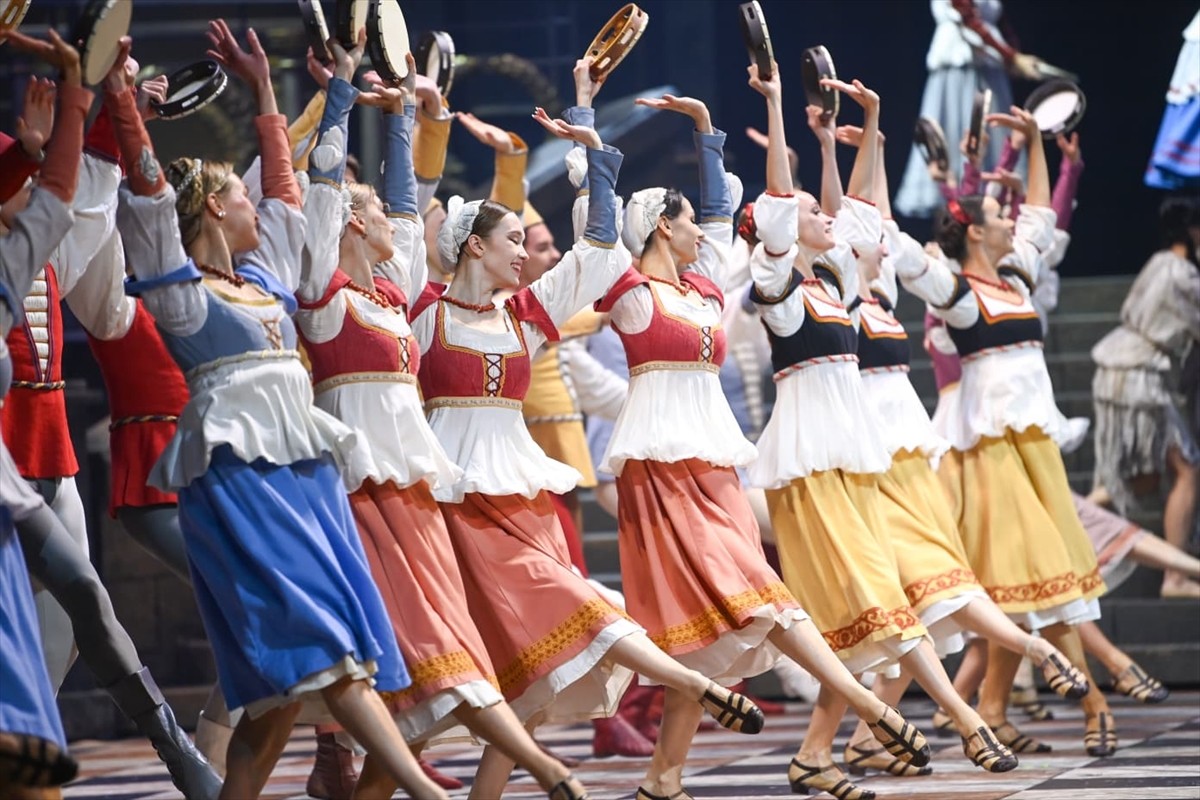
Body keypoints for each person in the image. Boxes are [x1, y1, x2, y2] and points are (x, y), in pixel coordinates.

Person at [105, 23, 450, 799]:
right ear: (214, 213)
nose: (257, 203)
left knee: (275, 712)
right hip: (242, 486)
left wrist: (289, 93)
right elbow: (151, 195)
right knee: (328, 651)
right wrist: (123, 106)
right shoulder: (185, 299)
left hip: (307, 481)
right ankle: (424, 794)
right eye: (240, 197)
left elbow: (305, 186)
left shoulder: (266, 283)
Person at [409, 69, 767, 797]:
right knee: (535, 636)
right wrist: (405, 117)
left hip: (523, 491)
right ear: (473, 248)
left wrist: (593, 142)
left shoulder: (522, 319)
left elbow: (596, 252)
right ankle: (687, 684)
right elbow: (400, 214)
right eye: (514, 237)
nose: (526, 251)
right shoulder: (425, 314)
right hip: (451, 498)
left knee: (530, 668)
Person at [591, 81, 936, 799]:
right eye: (686, 224)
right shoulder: (631, 296)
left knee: (716, 626)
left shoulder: (707, 289)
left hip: (717, 466)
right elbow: (598, 235)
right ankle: (871, 708)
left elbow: (723, 213)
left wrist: (709, 129)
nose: (701, 231)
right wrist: (593, 139)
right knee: (754, 604)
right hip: (659, 469)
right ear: (662, 230)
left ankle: (664, 778)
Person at [295, 43, 592, 800]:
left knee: (437, 648)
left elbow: (408, 196)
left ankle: (387, 762)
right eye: (376, 217)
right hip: (357, 474)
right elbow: (336, 193)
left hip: (419, 476)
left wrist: (400, 116)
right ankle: (523, 770)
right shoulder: (328, 291)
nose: (408, 222)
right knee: (372, 645)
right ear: (351, 227)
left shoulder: (395, 295)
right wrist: (330, 95)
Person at [746, 62, 1015, 800]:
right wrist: (774, 106)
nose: (824, 216)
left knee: (875, 614)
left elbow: (865, 212)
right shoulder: (779, 292)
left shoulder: (833, 290)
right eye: (807, 213)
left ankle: (816, 755)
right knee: (873, 608)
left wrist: (860, 130)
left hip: (851, 465)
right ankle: (963, 719)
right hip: (806, 469)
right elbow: (780, 203)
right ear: (778, 230)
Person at [832, 120, 1087, 778]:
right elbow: (862, 218)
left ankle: (859, 740)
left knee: (921, 602)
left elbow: (881, 218)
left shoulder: (880, 294)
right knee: (903, 604)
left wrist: (876, 140)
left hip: (909, 464)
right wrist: (839, 143)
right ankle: (1005, 682)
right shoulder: (822, 299)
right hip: (865, 471)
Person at [888, 101, 1116, 759]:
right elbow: (906, 255)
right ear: (975, 235)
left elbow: (1041, 215)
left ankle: (992, 709)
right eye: (997, 216)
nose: (1010, 217)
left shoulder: (1016, 275)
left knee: (1031, 584)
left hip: (1032, 449)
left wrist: (1033, 142)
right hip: (989, 457)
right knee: (1044, 576)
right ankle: (1094, 701)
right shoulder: (957, 296)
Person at [0, 35, 90, 800]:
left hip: (47, 450)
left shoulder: (35, 256)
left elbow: (72, 201)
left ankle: (31, 732)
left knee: (78, 604)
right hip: (8, 448)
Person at [1090, 198, 1199, 599]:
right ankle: (1176, 576)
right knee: (1186, 467)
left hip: (1120, 364)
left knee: (1135, 477)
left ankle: (1068, 533)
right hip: (1140, 372)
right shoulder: (1183, 274)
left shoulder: (1157, 263)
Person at [894, 0, 1047, 217]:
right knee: (960, 135)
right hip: (961, 61)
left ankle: (995, 211)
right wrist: (1010, 56)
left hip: (988, 65)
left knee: (993, 142)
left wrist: (1013, 57)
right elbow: (967, 17)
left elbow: (997, 19)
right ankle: (956, 214)